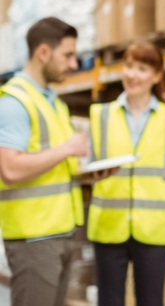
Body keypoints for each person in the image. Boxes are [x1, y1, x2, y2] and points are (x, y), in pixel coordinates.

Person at [0, 17, 98, 306]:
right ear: (43, 52)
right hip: (34, 238)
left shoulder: (53, 102)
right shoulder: (15, 102)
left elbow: (53, 166)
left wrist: (90, 176)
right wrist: (66, 149)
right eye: (67, 55)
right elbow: (10, 168)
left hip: (60, 232)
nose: (73, 64)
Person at [87, 42, 165, 306]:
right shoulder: (101, 115)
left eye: (142, 68)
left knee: (151, 301)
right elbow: (89, 165)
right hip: (109, 225)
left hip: (154, 229)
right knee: (108, 301)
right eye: (129, 66)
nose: (132, 74)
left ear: (157, 76)